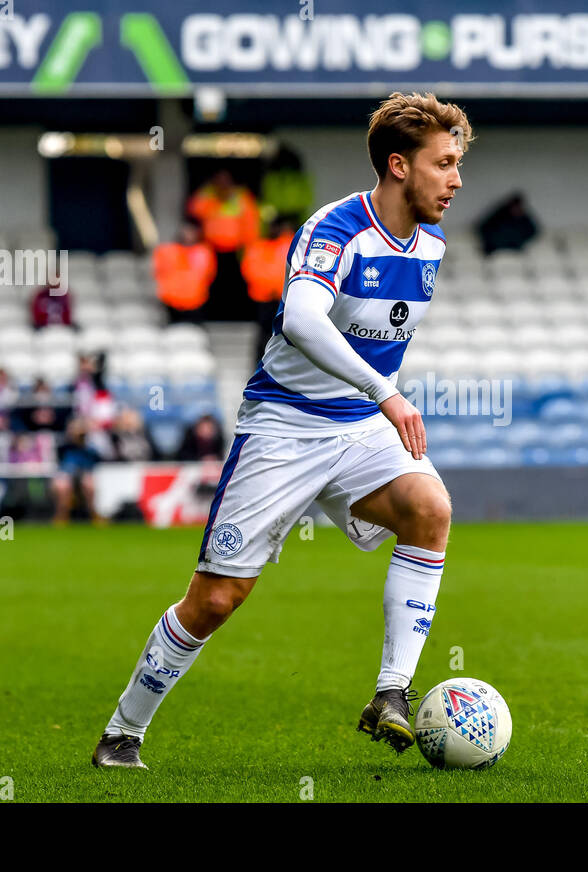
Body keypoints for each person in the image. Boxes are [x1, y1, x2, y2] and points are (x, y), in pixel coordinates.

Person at [92, 92, 471, 769]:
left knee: (430, 509)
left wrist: (374, 401)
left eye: (458, 164)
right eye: (443, 164)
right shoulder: (336, 229)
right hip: (285, 427)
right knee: (215, 599)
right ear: (397, 165)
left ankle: (391, 694)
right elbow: (300, 319)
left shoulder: (434, 243)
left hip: (357, 428)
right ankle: (123, 732)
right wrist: (388, 393)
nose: (456, 179)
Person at [241, 217, 296, 368]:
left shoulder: (288, 244)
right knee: (263, 334)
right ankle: (259, 364)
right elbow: (250, 269)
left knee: (286, 333)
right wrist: (268, 287)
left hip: (284, 297)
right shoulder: (257, 246)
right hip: (263, 297)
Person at [152, 223, 217, 323]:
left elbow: (208, 274)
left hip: (196, 299)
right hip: (172, 299)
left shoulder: (203, 252)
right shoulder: (167, 251)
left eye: (191, 232)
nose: (188, 235)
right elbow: (159, 271)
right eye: (186, 231)